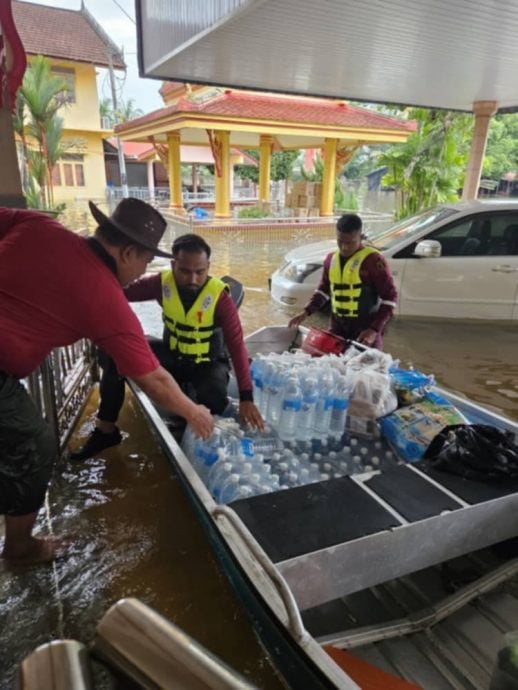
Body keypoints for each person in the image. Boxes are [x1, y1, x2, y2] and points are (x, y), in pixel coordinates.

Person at [0, 199, 214, 564]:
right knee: (36, 444)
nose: (142, 272)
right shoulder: (103, 295)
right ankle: (20, 547)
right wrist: (194, 412)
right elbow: (153, 379)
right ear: (128, 252)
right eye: (146, 261)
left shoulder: (39, 226)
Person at [71, 233, 264, 460]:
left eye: (200, 272)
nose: (192, 279)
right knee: (118, 354)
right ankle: (106, 430)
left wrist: (246, 398)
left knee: (212, 398)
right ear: (174, 265)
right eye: (185, 271)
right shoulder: (160, 284)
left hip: (207, 363)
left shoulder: (221, 299)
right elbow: (118, 291)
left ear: (208, 267)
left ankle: (196, 435)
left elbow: (237, 348)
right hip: (172, 354)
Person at [288, 213, 397, 349]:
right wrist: (306, 312)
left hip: (365, 331)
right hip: (337, 328)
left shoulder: (373, 261)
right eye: (340, 241)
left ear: (361, 237)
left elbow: (390, 299)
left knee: (366, 368)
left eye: (350, 242)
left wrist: (374, 330)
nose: (344, 247)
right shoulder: (330, 260)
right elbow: (323, 291)